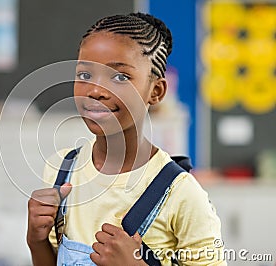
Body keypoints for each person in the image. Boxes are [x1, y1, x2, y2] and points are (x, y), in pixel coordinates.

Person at [27, 12, 226, 266]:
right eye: (85, 75)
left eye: (120, 77)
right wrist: (36, 241)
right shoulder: (60, 170)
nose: (96, 90)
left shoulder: (182, 194)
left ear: (156, 91)